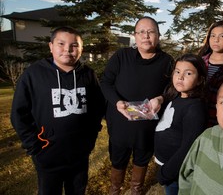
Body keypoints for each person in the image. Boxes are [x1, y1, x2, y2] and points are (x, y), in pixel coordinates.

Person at [10, 26, 105, 195]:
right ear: (50, 46)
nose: (68, 49)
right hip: (48, 154)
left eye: (74, 45)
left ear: (81, 49)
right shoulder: (33, 74)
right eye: (61, 43)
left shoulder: (88, 74)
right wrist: (34, 145)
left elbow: (97, 107)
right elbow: (19, 114)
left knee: (77, 191)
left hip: (79, 154)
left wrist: (90, 138)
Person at [100, 16, 174, 195]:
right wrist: (117, 102)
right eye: (141, 32)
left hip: (147, 126)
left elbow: (174, 88)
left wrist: (161, 99)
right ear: (135, 36)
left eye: (151, 32)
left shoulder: (167, 61)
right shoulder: (122, 56)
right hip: (120, 121)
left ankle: (136, 189)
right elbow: (105, 82)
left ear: (158, 35)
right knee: (118, 160)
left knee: (142, 159)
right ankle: (115, 189)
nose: (146, 36)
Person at [154, 53, 207, 195]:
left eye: (188, 73)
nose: (180, 77)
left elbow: (188, 148)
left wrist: (165, 173)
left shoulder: (194, 109)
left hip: (175, 172)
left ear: (200, 80)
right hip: (165, 163)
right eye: (177, 71)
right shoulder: (177, 95)